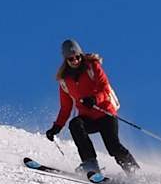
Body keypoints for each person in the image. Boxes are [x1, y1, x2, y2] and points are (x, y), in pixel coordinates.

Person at [45, 39, 140, 176]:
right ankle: (90, 164)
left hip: (106, 113)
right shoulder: (65, 80)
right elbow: (66, 107)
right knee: (75, 124)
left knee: (113, 147)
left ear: (81, 55)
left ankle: (134, 172)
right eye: (71, 59)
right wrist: (56, 127)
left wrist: (95, 99)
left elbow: (105, 88)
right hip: (88, 117)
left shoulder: (92, 67)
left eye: (77, 57)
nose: (75, 61)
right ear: (66, 60)